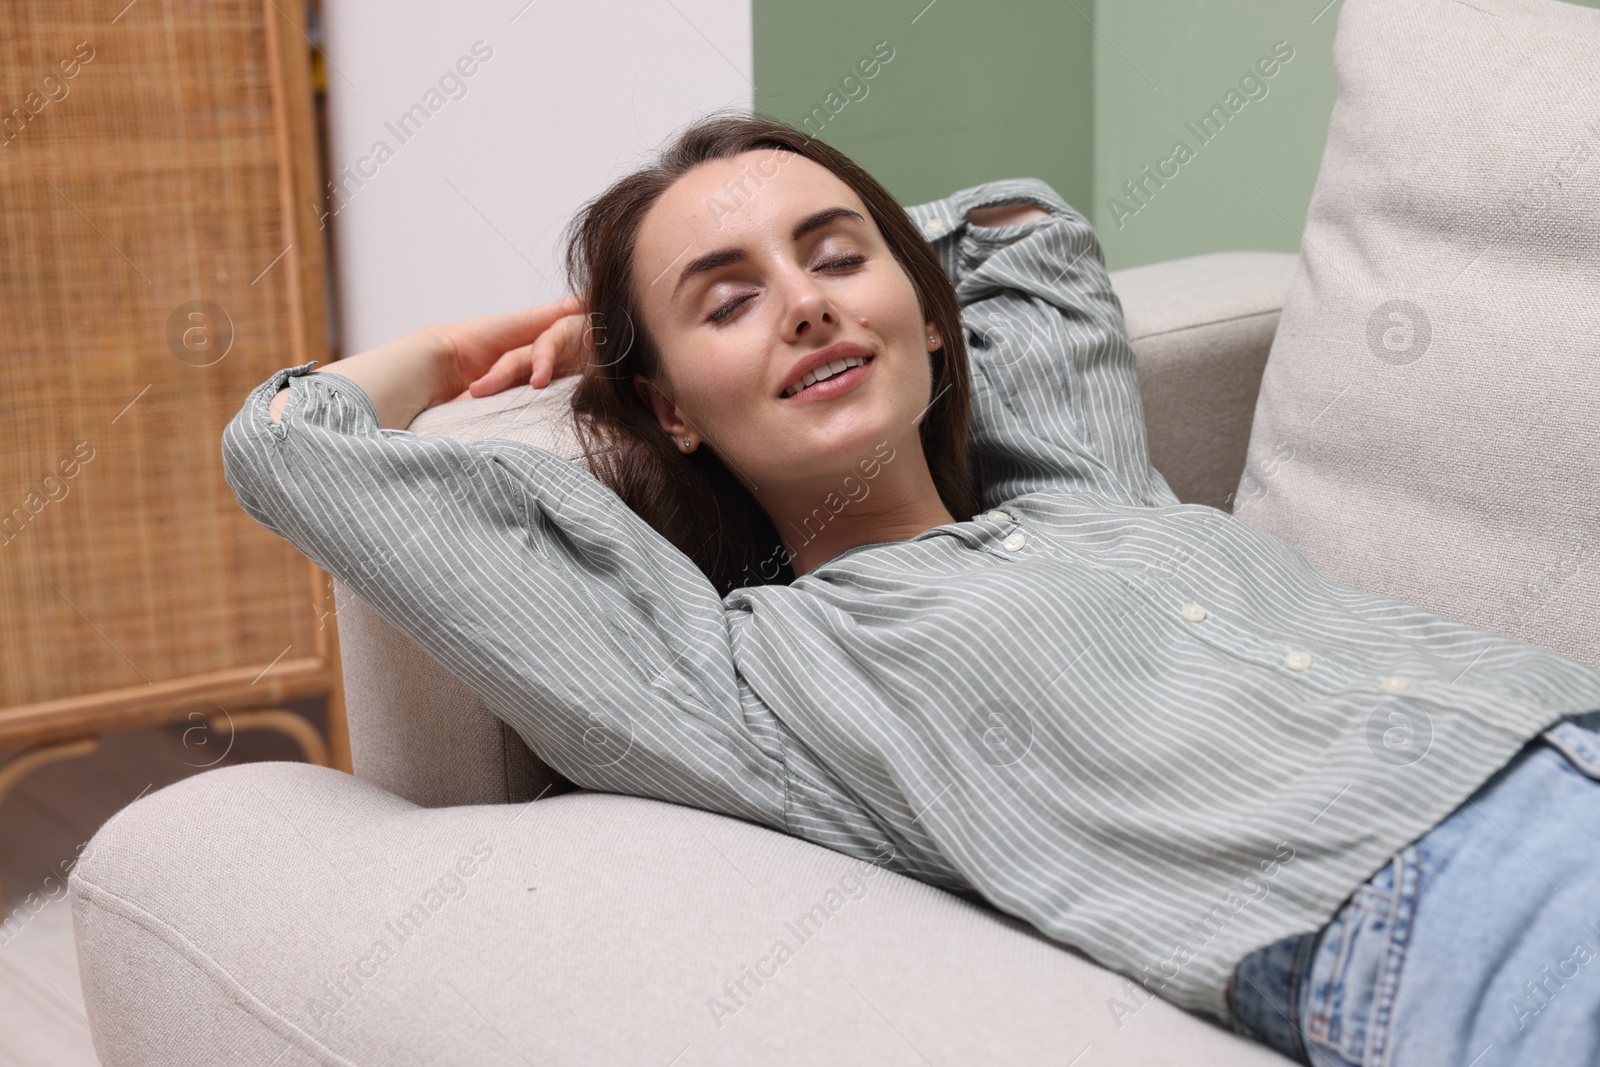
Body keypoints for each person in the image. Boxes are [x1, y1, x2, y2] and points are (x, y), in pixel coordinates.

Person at [223, 110, 1600, 1065]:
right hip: (1447, 919)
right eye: (725, 301)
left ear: (929, 318)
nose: (809, 305)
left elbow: (1022, 228)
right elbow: (294, 451)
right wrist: (477, 343)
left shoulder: (1077, 484)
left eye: (837, 258)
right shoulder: (750, 681)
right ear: (672, 407)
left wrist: (836, 252)